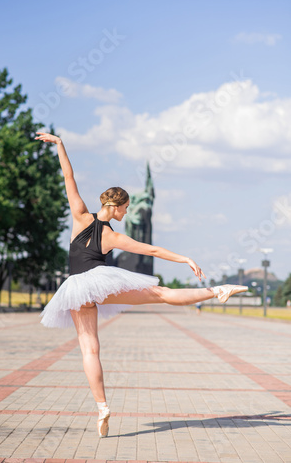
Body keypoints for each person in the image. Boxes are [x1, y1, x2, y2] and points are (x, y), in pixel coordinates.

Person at [35, 131, 248, 438]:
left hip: (74, 289)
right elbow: (153, 250)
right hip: (99, 283)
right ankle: (216, 291)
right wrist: (185, 258)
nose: (127, 213)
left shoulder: (80, 216)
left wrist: (59, 145)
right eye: (126, 208)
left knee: (89, 351)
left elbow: (68, 176)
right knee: (161, 294)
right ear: (116, 206)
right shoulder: (112, 236)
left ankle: (102, 407)